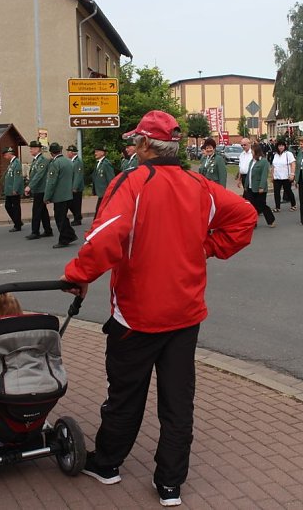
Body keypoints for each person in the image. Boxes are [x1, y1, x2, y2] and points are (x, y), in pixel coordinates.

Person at [61, 110, 256, 507]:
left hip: (136, 316)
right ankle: (170, 483)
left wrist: (78, 276)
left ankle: (109, 464)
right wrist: (208, 247)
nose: (133, 146)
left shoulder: (132, 181)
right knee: (178, 401)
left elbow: (104, 239)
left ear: (147, 144)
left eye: (136, 141)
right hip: (185, 315)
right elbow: (245, 217)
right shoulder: (198, 184)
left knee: (125, 396)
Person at [44, 142, 78, 249]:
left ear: (51, 153)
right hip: (68, 194)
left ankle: (64, 239)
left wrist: (47, 196)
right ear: (60, 150)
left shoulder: (55, 163)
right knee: (63, 217)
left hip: (59, 196)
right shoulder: (69, 162)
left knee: (60, 218)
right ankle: (70, 235)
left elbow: (51, 182)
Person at [24, 140, 53, 240]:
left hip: (41, 190)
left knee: (36, 211)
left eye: (32, 148)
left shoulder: (42, 161)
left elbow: (39, 175)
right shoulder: (36, 160)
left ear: (37, 149)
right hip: (38, 190)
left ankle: (35, 232)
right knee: (43, 211)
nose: (30, 150)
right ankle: (48, 230)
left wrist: (29, 186)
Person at [247, 143, 275, 228]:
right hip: (251, 187)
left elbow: (264, 175)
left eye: (252, 151)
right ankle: (253, 223)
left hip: (259, 188)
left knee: (261, 205)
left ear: (256, 151)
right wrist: (246, 185)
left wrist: (261, 187)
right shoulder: (252, 161)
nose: (251, 153)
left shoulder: (263, 161)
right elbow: (249, 173)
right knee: (251, 206)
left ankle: (271, 220)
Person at [2, 146, 24, 232]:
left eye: (5, 155)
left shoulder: (16, 163)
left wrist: (15, 188)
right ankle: (17, 221)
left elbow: (17, 177)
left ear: (9, 154)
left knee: (15, 207)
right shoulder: (12, 163)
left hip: (13, 190)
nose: (4, 157)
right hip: (9, 190)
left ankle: (17, 225)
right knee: (8, 206)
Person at [270, 141, 296, 212]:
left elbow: (293, 164)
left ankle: (293, 204)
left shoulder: (288, 154)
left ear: (285, 146)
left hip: (286, 176)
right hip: (277, 177)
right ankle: (277, 207)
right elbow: (273, 166)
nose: (281, 147)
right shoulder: (275, 155)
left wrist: (292, 174)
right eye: (279, 146)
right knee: (276, 192)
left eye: (282, 146)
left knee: (288, 191)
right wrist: (272, 176)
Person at [91, 144, 115, 216]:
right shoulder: (99, 163)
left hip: (105, 193)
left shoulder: (106, 164)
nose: (95, 153)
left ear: (102, 153)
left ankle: (96, 226)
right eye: (95, 152)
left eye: (97, 151)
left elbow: (111, 179)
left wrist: (110, 193)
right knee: (100, 211)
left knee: (99, 211)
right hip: (101, 193)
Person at [66, 144, 84, 225]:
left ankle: (77, 219)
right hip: (72, 186)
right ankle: (78, 216)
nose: (67, 153)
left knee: (76, 203)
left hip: (76, 187)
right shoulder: (72, 161)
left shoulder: (78, 162)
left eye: (68, 151)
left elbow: (78, 175)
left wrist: (75, 187)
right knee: (71, 203)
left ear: (72, 153)